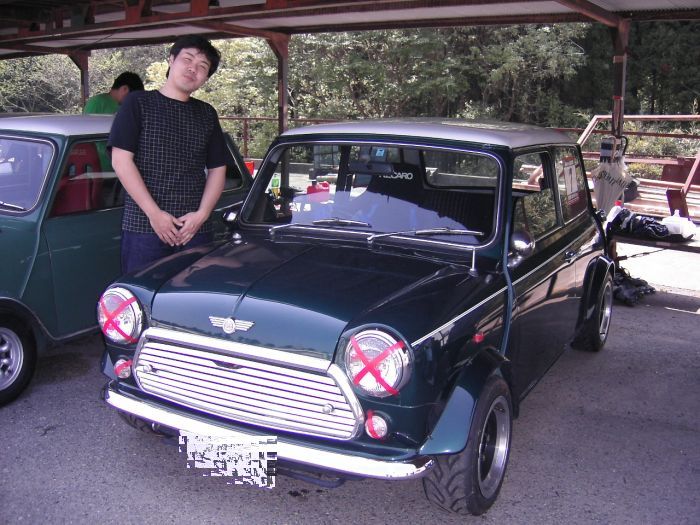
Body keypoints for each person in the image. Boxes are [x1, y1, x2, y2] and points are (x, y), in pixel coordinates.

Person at [108, 35, 229, 273]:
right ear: (171, 60)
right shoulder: (138, 103)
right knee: (143, 291)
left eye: (202, 66)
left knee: (193, 292)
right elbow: (120, 161)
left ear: (206, 77)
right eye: (187, 59)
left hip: (193, 229)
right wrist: (154, 214)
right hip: (144, 225)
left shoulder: (207, 113)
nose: (193, 69)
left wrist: (202, 215)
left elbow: (218, 168)